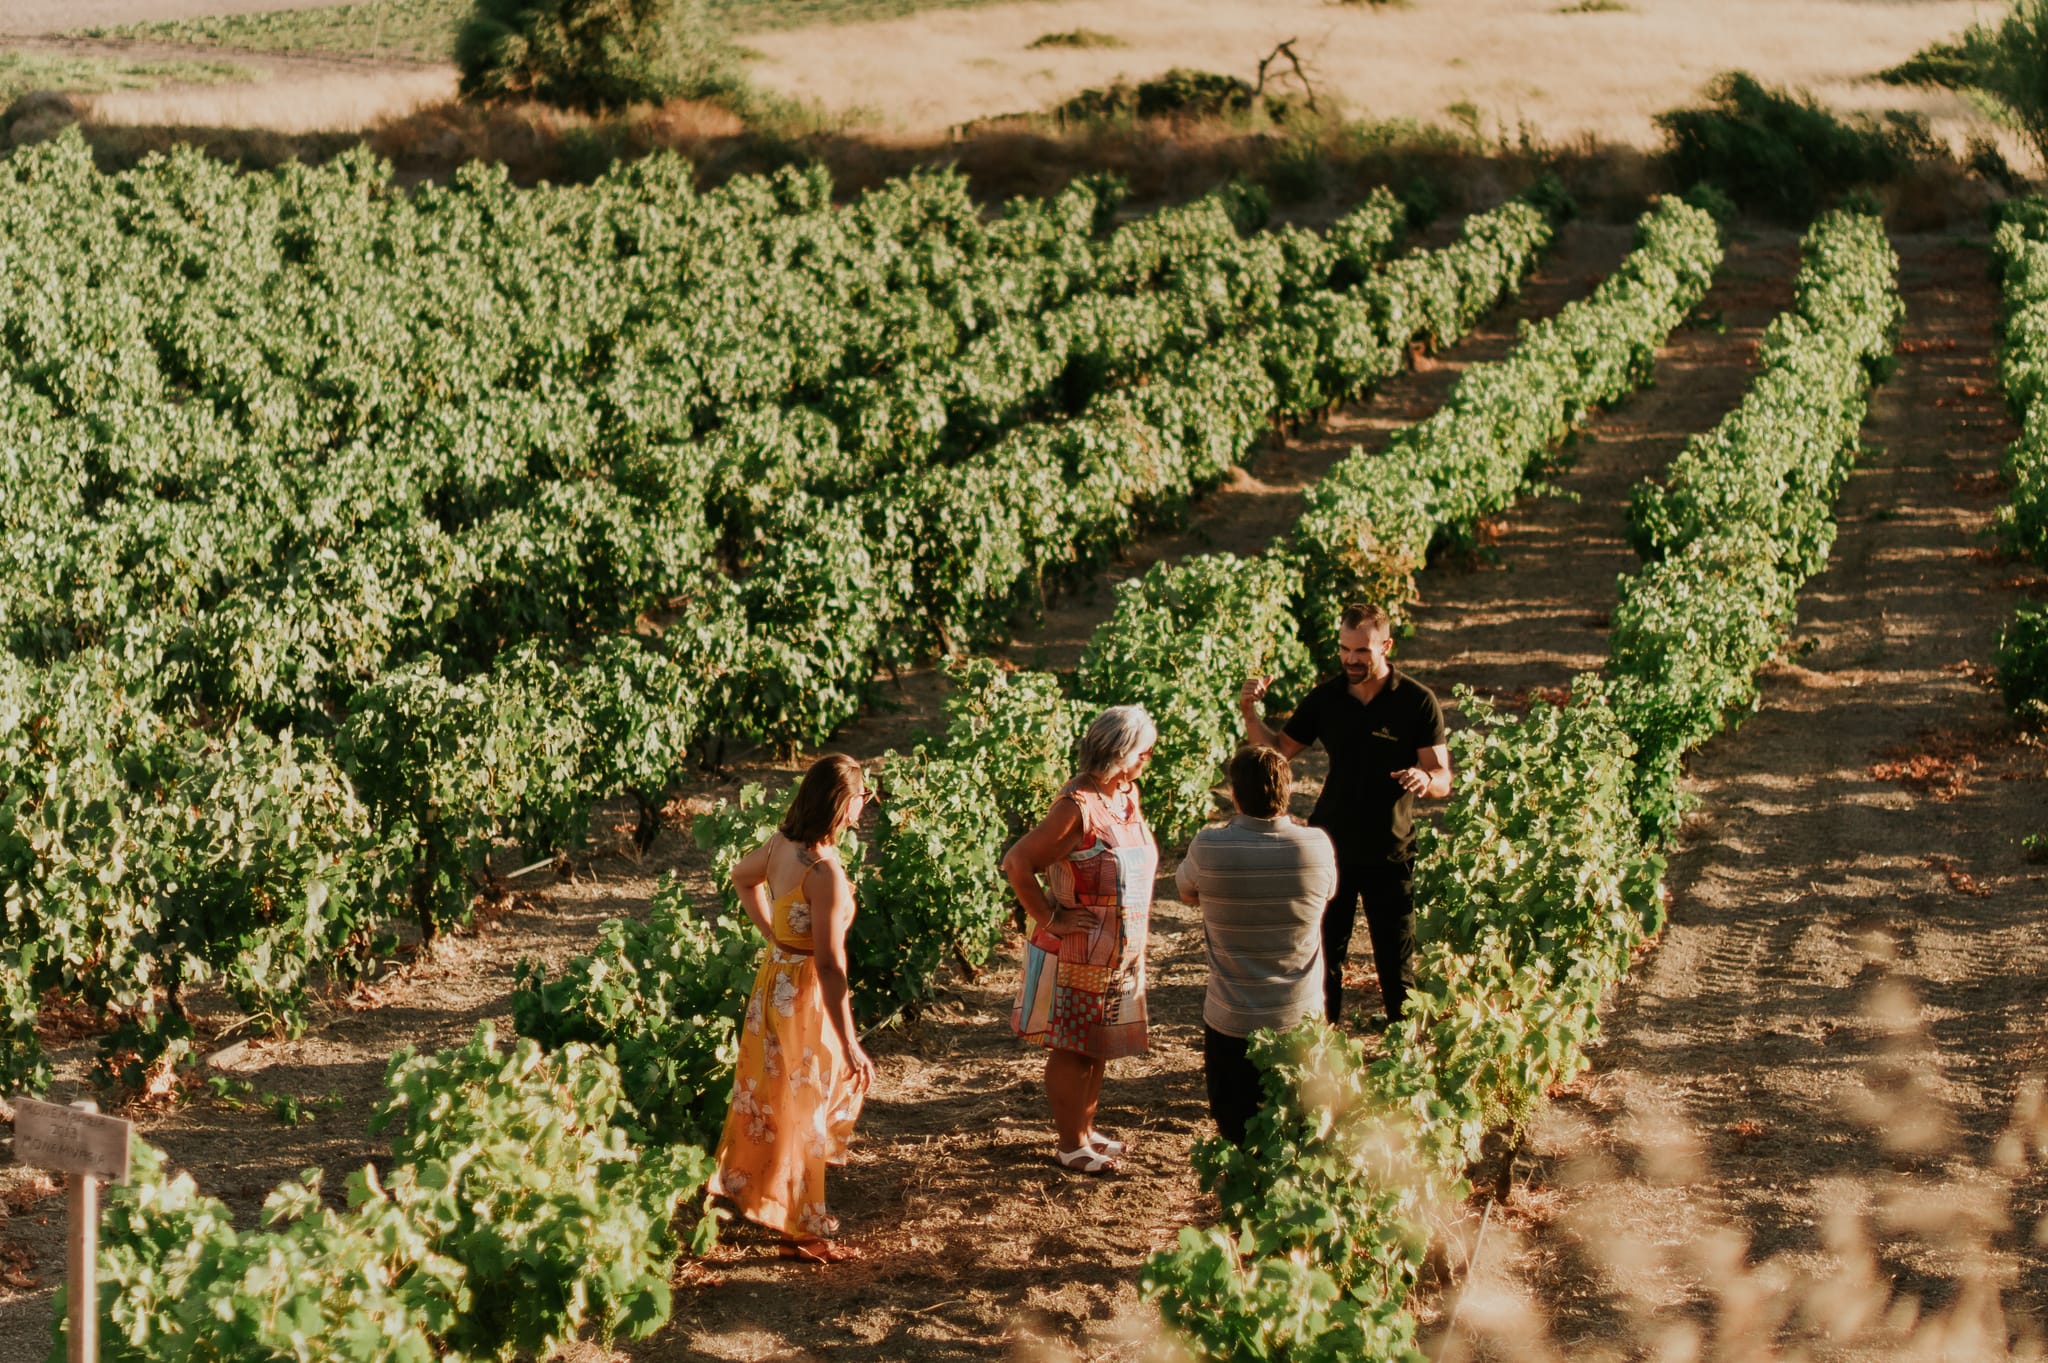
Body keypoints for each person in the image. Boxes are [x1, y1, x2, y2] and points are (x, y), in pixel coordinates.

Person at [1240, 602, 1450, 1028]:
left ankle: (1403, 1049)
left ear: (1386, 646)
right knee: (1324, 957)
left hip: (1390, 850)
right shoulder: (1327, 698)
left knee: (1396, 963)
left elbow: (1443, 777)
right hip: (1329, 848)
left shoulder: (1416, 701)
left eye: (1362, 651)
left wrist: (1425, 778)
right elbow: (1277, 751)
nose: (1351, 659)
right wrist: (1249, 711)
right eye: (1344, 649)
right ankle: (1322, 1047)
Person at [709, 753, 878, 1264]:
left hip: (774, 983)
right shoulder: (824, 872)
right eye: (863, 796)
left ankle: (781, 1209)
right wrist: (850, 1042)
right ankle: (803, 1230)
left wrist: (774, 935)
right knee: (808, 1106)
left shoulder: (782, 845)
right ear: (842, 804)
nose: (865, 805)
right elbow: (829, 965)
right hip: (805, 996)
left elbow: (742, 877)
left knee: (779, 1099)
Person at [1002, 704, 1158, 1175]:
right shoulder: (1076, 807)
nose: (1148, 759)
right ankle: (1070, 1144)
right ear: (1121, 753)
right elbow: (1017, 863)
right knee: (1073, 1047)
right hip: (1078, 951)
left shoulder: (1125, 795)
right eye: (1144, 752)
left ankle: (1086, 1131)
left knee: (1097, 1042)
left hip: (1116, 951)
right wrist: (1052, 918)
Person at [1176, 745, 1337, 1146]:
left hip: (1232, 1021)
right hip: (1300, 1019)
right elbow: (1328, 893)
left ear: (1234, 795)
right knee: (1299, 1137)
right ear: (1289, 790)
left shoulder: (1209, 848)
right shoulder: (1316, 846)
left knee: (1237, 1135)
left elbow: (1186, 891)